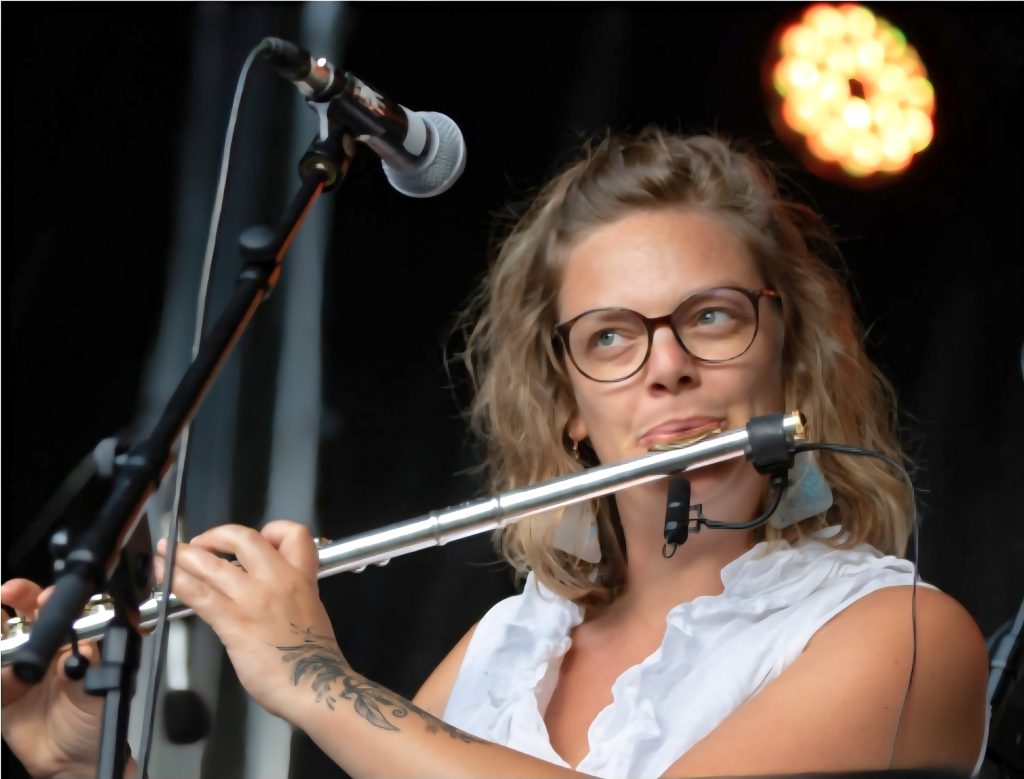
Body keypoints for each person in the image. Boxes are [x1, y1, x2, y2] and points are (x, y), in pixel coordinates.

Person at [2, 128, 989, 778]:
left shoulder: (898, 632)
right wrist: (90, 765)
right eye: (610, 335)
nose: (667, 366)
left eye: (712, 316)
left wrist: (308, 673)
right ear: (566, 404)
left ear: (789, 354)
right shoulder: (507, 645)